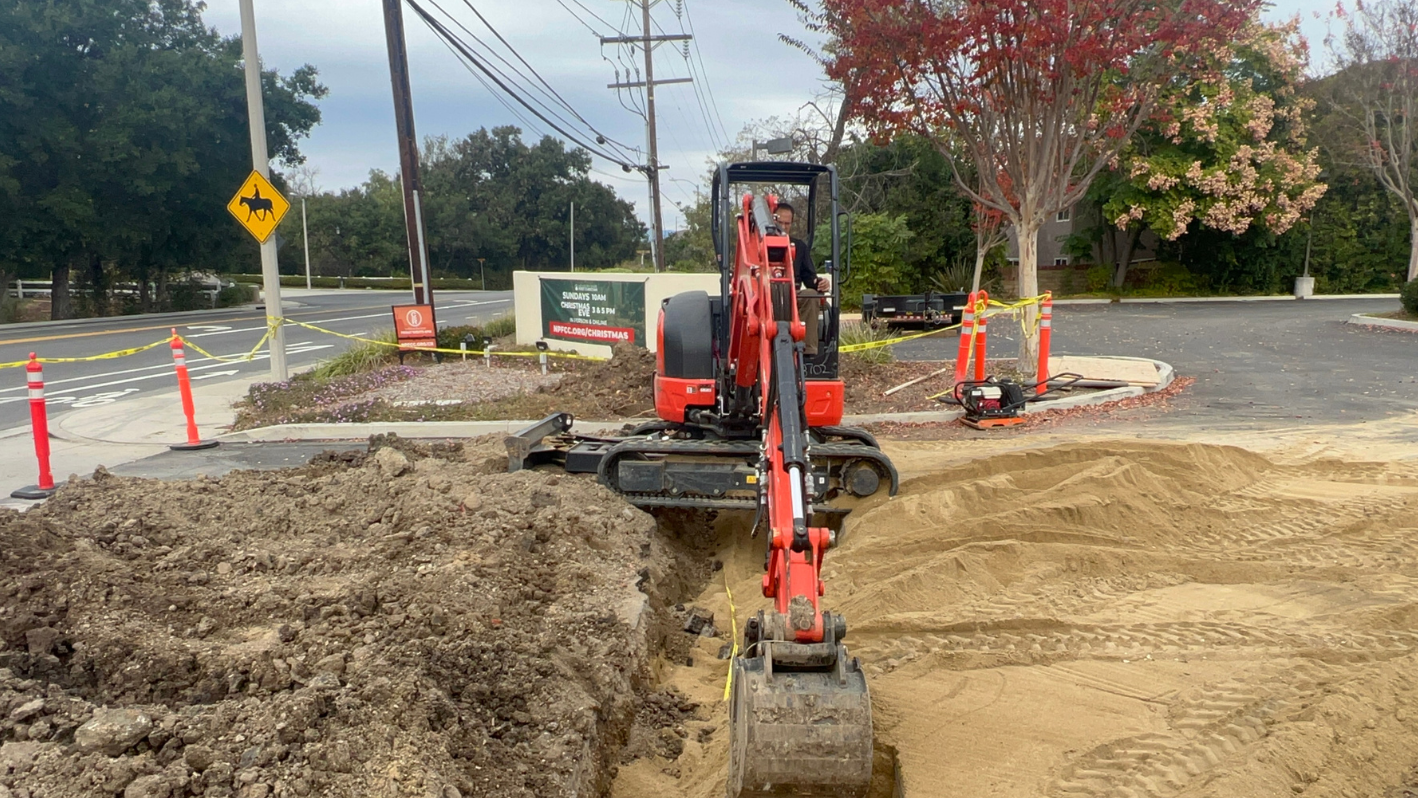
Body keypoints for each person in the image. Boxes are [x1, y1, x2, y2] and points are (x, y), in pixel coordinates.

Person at [774, 202, 830, 356]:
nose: (784, 227)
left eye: (787, 223)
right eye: (780, 223)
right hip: (765, 299)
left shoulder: (800, 247)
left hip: (793, 297)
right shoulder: (756, 245)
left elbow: (810, 278)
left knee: (811, 294)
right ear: (772, 221)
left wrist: (821, 283)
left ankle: (806, 350)